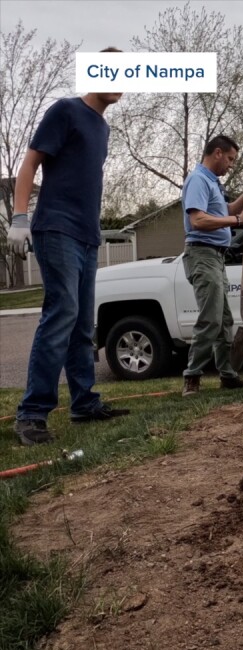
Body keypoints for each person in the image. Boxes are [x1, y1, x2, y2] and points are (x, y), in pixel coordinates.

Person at [9, 54, 129, 446]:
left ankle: (84, 403)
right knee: (61, 315)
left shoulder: (102, 127)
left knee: (82, 324)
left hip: (87, 235)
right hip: (57, 228)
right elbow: (30, 163)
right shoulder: (65, 110)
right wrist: (19, 217)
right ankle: (31, 413)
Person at [180, 135, 243, 397]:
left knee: (224, 320)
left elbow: (228, 210)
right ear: (218, 153)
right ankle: (192, 377)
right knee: (211, 319)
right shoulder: (198, 180)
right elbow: (198, 220)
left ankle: (227, 374)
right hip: (202, 254)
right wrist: (238, 220)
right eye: (230, 159)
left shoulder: (212, 182)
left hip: (216, 257)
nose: (231, 165)